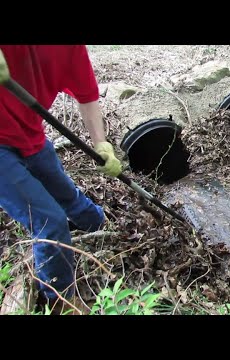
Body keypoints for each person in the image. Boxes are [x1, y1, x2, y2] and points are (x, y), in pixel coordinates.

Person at [0, 45, 122, 314]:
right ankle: (62, 300)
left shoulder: (71, 49)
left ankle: (100, 224)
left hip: (31, 134)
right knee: (50, 222)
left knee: (66, 192)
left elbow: (87, 96)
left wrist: (101, 144)